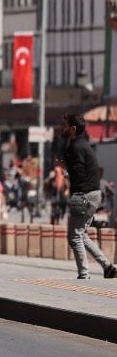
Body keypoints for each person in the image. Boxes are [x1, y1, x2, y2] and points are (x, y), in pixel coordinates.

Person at [57, 113, 117, 280]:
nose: (63, 128)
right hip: (93, 194)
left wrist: (65, 167)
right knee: (81, 234)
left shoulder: (75, 147)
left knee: (74, 237)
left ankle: (84, 275)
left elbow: (77, 174)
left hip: (83, 195)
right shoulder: (82, 145)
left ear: (73, 129)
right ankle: (108, 267)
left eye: (65, 126)